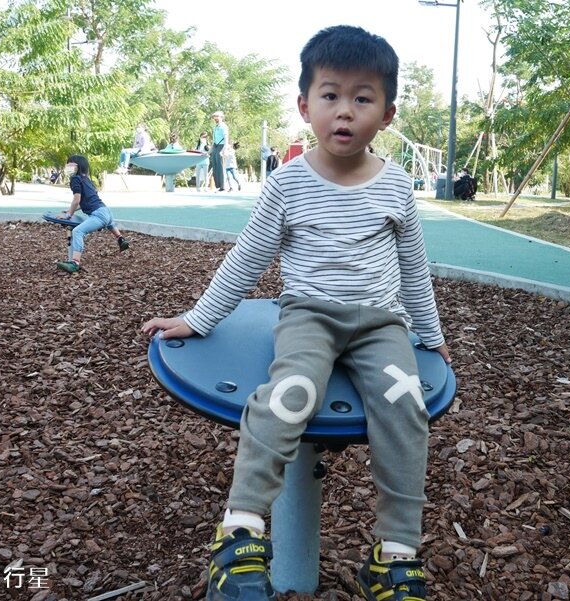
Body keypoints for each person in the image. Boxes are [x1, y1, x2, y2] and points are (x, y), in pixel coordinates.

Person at [142, 25, 451, 601]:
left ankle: (395, 553)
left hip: (380, 322)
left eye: (363, 98)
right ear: (305, 105)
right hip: (308, 314)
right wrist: (199, 318)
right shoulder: (288, 184)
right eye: (331, 95)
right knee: (290, 395)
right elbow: (248, 257)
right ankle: (240, 534)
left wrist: (429, 337)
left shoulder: (397, 187)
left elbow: (413, 267)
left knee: (405, 403)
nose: (345, 111)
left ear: (386, 114)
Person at [56, 155, 129, 274]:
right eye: (67, 164)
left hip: (98, 214)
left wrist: (68, 214)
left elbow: (77, 199)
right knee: (109, 222)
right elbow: (85, 202)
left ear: (78, 167)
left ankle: (75, 263)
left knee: (77, 231)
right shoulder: (86, 179)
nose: (68, 166)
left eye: (71, 164)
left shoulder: (75, 179)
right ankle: (121, 239)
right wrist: (70, 209)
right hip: (105, 210)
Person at [210, 111, 228, 192]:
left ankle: (223, 186)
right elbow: (213, 140)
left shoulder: (223, 126)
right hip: (215, 146)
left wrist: (224, 149)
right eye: (214, 117)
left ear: (221, 117)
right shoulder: (215, 127)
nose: (215, 118)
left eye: (217, 116)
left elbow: (226, 138)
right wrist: (210, 150)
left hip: (221, 146)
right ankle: (218, 185)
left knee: (221, 166)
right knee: (215, 166)